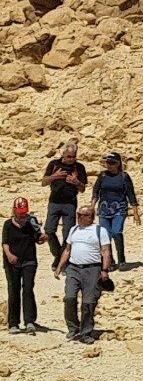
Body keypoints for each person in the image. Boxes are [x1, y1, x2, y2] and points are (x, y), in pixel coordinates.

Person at [53, 201, 111, 343]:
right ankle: (73, 328)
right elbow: (67, 250)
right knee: (69, 297)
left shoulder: (100, 231)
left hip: (92, 269)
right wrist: (60, 267)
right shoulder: (73, 230)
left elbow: (106, 251)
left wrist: (104, 270)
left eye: (81, 215)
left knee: (88, 302)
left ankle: (86, 332)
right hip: (73, 268)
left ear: (90, 217)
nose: (77, 217)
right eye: (77, 214)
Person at [92, 152, 140, 269]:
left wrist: (135, 213)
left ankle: (121, 260)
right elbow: (95, 192)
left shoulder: (124, 177)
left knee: (116, 232)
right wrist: (92, 208)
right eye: (108, 163)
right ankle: (110, 261)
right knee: (105, 236)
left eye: (112, 163)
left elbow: (131, 194)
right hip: (104, 210)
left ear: (118, 164)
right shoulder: (102, 176)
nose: (109, 165)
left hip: (120, 209)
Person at [3, 198, 42, 333]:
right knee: (13, 290)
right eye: (20, 212)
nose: (22, 215)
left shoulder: (31, 223)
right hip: (12, 262)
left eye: (24, 213)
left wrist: (43, 238)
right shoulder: (8, 224)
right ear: (14, 211)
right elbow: (5, 243)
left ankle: (30, 321)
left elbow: (38, 239)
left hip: (29, 260)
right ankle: (13, 323)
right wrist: (9, 255)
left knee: (28, 289)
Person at [42, 142, 84, 246]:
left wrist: (77, 182)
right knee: (49, 230)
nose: (71, 159)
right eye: (69, 156)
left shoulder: (79, 167)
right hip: (54, 202)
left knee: (68, 233)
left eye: (74, 157)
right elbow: (43, 182)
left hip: (70, 203)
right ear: (63, 154)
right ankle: (58, 254)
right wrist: (54, 176)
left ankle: (63, 258)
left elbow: (82, 189)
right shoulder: (54, 164)